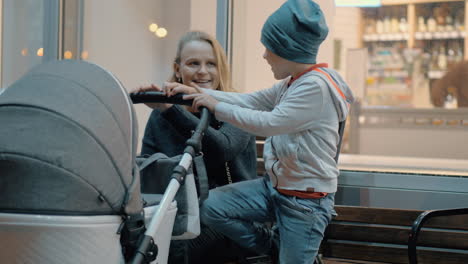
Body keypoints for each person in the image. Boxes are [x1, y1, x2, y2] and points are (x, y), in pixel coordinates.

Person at [155, 1, 355, 263]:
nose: (264, 55)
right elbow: (252, 100)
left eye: (269, 48)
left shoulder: (315, 88)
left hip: (305, 203)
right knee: (212, 207)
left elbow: (267, 123)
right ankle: (270, 246)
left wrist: (214, 106)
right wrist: (198, 93)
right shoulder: (292, 83)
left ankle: (282, 252)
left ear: (287, 49)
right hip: (274, 189)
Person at [135, 31, 257, 263]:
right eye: (193, 63)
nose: (202, 71)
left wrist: (170, 111)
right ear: (178, 69)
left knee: (179, 246)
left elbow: (222, 150)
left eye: (211, 64)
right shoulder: (162, 114)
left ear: (221, 69)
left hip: (231, 217)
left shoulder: (235, 107)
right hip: (178, 213)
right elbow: (150, 168)